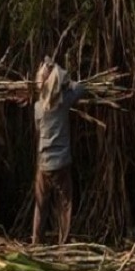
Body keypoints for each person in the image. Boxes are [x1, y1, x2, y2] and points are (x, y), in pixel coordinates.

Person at [32, 56, 86, 245]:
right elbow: (80, 88)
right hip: (62, 161)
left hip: (44, 162)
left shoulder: (38, 107)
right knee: (65, 204)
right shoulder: (63, 103)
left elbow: (38, 131)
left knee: (40, 205)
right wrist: (66, 81)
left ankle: (36, 242)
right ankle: (63, 242)